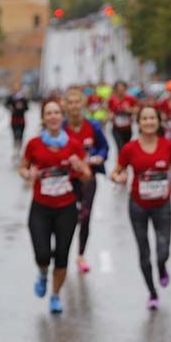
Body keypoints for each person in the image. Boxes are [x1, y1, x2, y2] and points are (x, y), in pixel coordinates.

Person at [112, 104, 171, 309]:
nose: (149, 122)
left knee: (163, 250)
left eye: (152, 118)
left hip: (162, 204)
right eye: (145, 118)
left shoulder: (167, 145)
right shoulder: (129, 148)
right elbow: (116, 170)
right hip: (138, 205)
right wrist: (118, 177)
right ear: (138, 123)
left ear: (159, 122)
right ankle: (152, 292)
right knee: (144, 252)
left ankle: (162, 266)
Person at [19, 99, 92, 314]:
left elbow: (86, 176)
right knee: (42, 254)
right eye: (48, 113)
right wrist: (27, 174)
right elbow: (23, 168)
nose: (53, 116)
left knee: (61, 255)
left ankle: (55, 295)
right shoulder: (34, 145)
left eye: (57, 113)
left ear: (62, 117)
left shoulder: (73, 145)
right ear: (43, 118)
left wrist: (80, 168)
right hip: (40, 207)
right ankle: (42, 273)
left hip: (66, 208)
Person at [63, 87, 110, 274]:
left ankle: (81, 255)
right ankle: (63, 254)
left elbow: (104, 147)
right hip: (66, 180)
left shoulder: (93, 126)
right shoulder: (61, 128)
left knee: (85, 216)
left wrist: (99, 157)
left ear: (83, 104)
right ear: (65, 106)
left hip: (88, 179)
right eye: (70, 102)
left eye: (77, 102)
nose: (74, 106)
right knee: (68, 218)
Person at [107, 80, 138, 153]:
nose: (120, 91)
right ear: (115, 90)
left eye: (122, 89)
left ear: (125, 89)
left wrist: (129, 110)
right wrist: (110, 116)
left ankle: (125, 162)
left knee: (126, 147)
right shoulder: (112, 100)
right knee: (120, 148)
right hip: (116, 128)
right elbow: (108, 111)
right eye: (118, 90)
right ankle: (120, 163)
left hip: (127, 128)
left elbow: (136, 110)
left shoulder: (130, 99)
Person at [5, 87, 29, 163]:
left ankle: (19, 150)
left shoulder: (23, 98)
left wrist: (22, 107)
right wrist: (10, 108)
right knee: (15, 135)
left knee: (21, 135)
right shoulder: (11, 98)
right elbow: (6, 105)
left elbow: (27, 108)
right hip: (14, 120)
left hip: (21, 120)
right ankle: (15, 150)